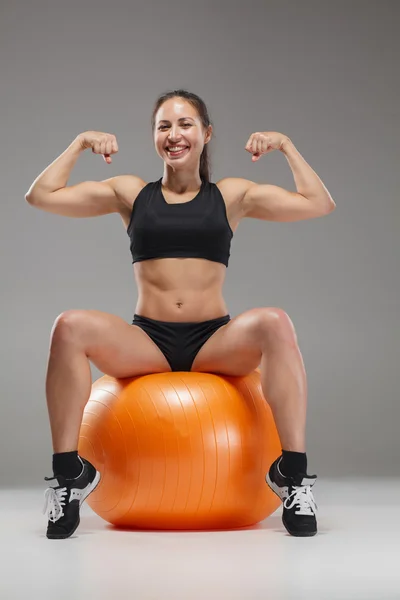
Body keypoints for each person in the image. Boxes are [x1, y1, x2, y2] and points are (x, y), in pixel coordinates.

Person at [26, 89, 336, 540]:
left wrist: (286, 145)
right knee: (68, 326)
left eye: (185, 124)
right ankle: (67, 475)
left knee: (275, 322)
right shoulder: (131, 193)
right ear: (154, 137)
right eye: (164, 126)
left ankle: (293, 474)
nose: (175, 134)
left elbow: (318, 203)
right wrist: (79, 143)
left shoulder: (231, 196)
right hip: (148, 341)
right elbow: (41, 196)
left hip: (213, 340)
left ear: (206, 134)